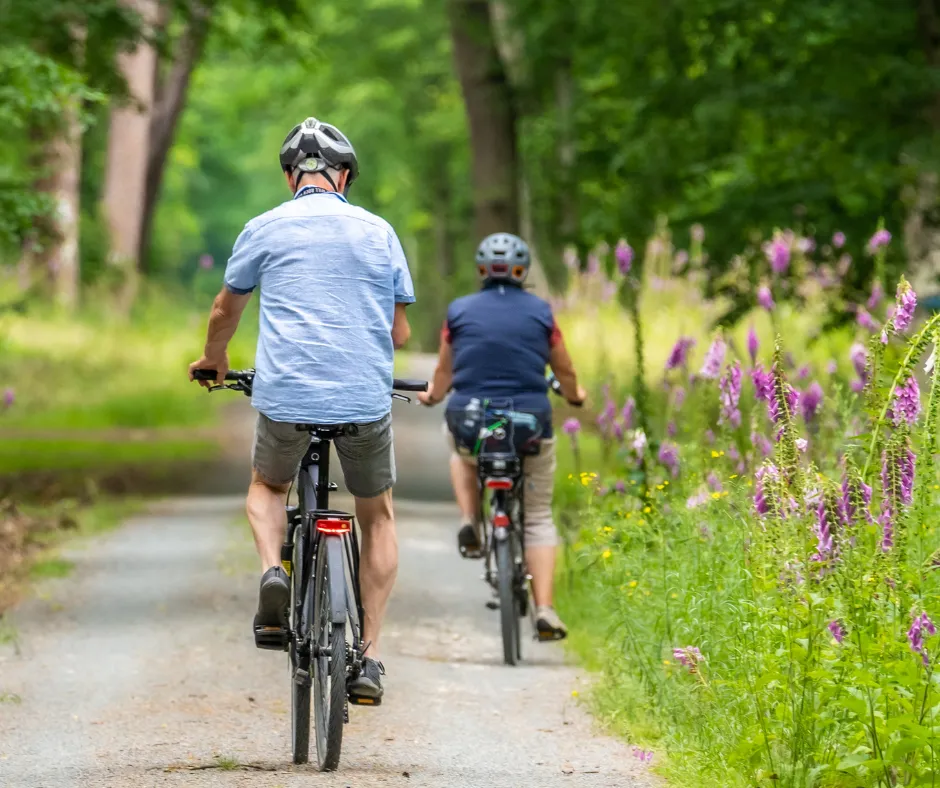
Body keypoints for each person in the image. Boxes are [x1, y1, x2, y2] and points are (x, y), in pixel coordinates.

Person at [188, 117, 415, 702]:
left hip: (286, 395)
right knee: (378, 514)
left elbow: (223, 310)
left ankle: (273, 571)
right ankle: (369, 658)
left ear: (292, 176)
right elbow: (401, 329)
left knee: (267, 486)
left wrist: (215, 360)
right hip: (364, 397)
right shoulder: (378, 231)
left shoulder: (264, 227)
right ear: (344, 176)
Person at [417, 233, 586, 640]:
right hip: (529, 423)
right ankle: (545, 609)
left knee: (460, 451)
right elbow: (564, 370)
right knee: (540, 516)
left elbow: (444, 372)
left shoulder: (458, 311)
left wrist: (434, 395)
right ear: (522, 271)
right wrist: (576, 396)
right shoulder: (543, 312)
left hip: (472, 422)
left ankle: (470, 519)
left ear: (480, 270)